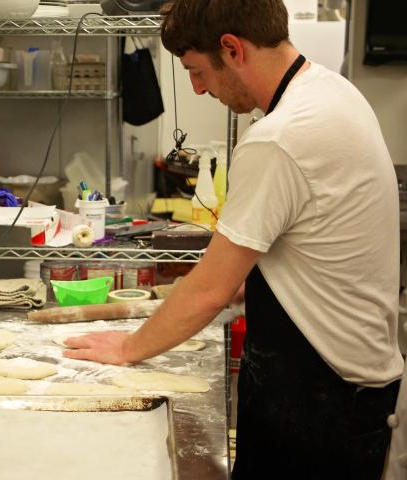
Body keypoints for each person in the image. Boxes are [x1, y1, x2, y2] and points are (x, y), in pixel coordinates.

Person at [63, 1, 403, 478]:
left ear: (231, 48)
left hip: (319, 405)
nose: (198, 89)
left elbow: (212, 290)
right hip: (355, 395)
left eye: (196, 71)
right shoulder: (331, 92)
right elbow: (292, 261)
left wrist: (128, 348)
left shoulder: (280, 137)